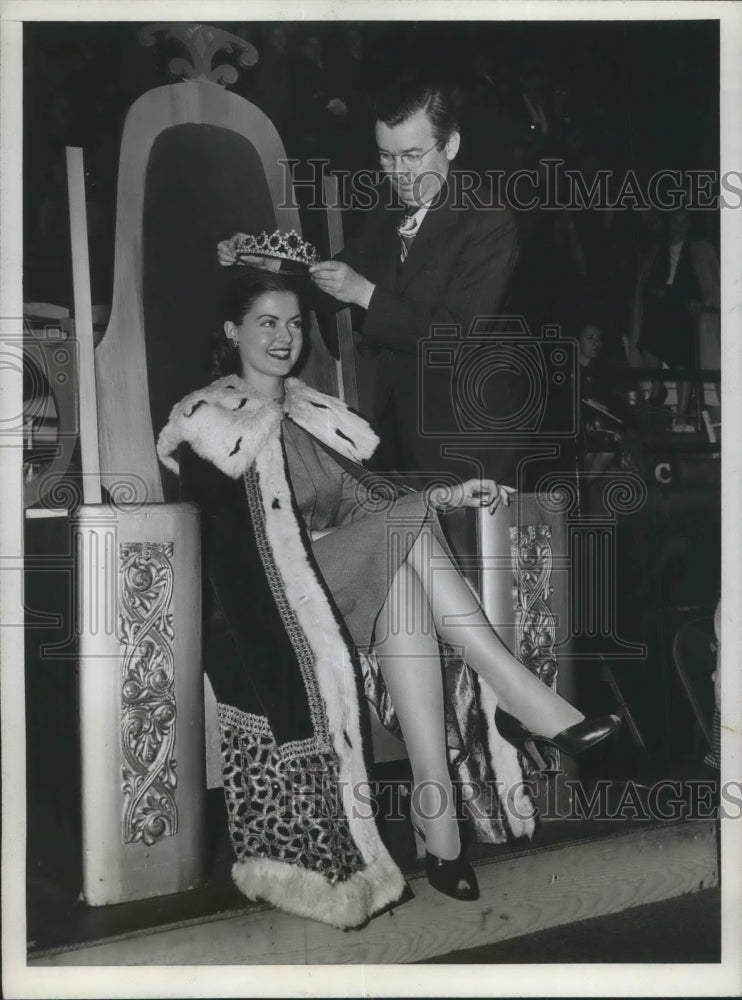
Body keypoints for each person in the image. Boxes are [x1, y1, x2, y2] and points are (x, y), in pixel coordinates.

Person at [157, 264, 621, 926]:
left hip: (344, 581)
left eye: (294, 324)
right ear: (233, 332)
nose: (284, 337)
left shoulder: (315, 415)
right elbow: (231, 559)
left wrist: (446, 496)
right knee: (406, 533)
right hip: (277, 600)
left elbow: (367, 501)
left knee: (405, 589)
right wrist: (393, 518)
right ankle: (517, 693)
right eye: (267, 323)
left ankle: (438, 821)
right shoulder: (206, 421)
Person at [218, 78, 523, 488]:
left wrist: (365, 294)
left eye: (411, 156)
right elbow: (335, 281)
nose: (398, 173)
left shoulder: (488, 220)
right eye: (386, 157)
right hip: (402, 432)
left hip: (470, 436)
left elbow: (456, 336)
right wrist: (272, 264)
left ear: (450, 145)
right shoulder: (391, 207)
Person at [630, 209, 720, 432]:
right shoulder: (655, 251)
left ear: (690, 225)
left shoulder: (701, 249)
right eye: (675, 221)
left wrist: (701, 303)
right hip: (660, 310)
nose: (679, 226)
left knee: (684, 357)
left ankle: (680, 417)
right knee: (646, 340)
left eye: (684, 222)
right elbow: (648, 287)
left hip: (687, 312)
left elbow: (710, 285)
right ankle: (657, 384)